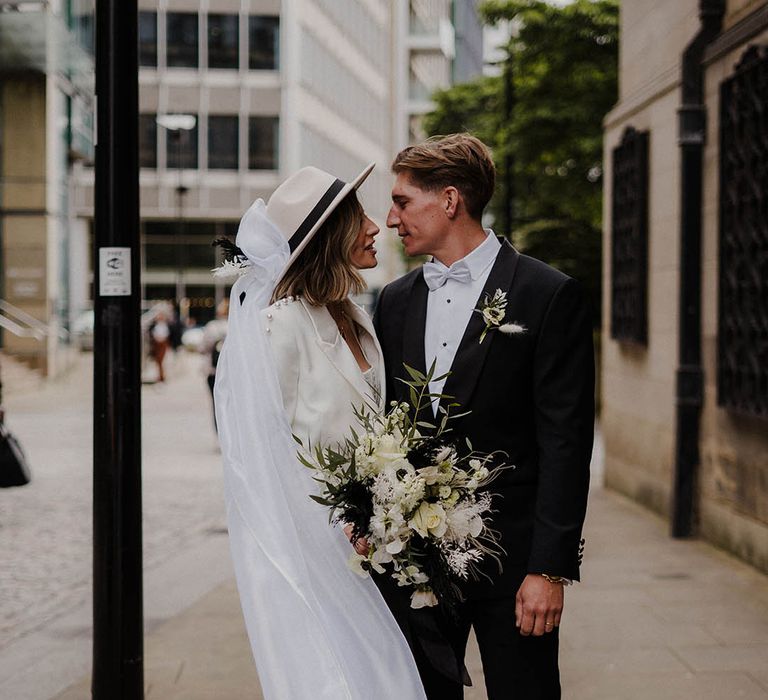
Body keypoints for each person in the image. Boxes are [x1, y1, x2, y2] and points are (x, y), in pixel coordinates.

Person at [374, 133, 594, 699]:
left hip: (514, 565)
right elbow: (387, 425)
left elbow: (566, 441)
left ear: (449, 200)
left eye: (402, 201)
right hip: (416, 565)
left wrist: (550, 568)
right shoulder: (395, 301)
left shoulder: (548, 294)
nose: (391, 218)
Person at [214, 164, 426, 700]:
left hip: (379, 545)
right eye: (359, 219)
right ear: (331, 235)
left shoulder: (352, 314)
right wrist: (336, 524)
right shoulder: (278, 326)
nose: (377, 226)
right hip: (322, 549)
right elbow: (264, 454)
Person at [200, 297, 229, 431]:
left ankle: (220, 431)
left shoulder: (212, 326)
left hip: (214, 371)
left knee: (217, 402)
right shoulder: (237, 325)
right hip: (232, 373)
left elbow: (203, 348)